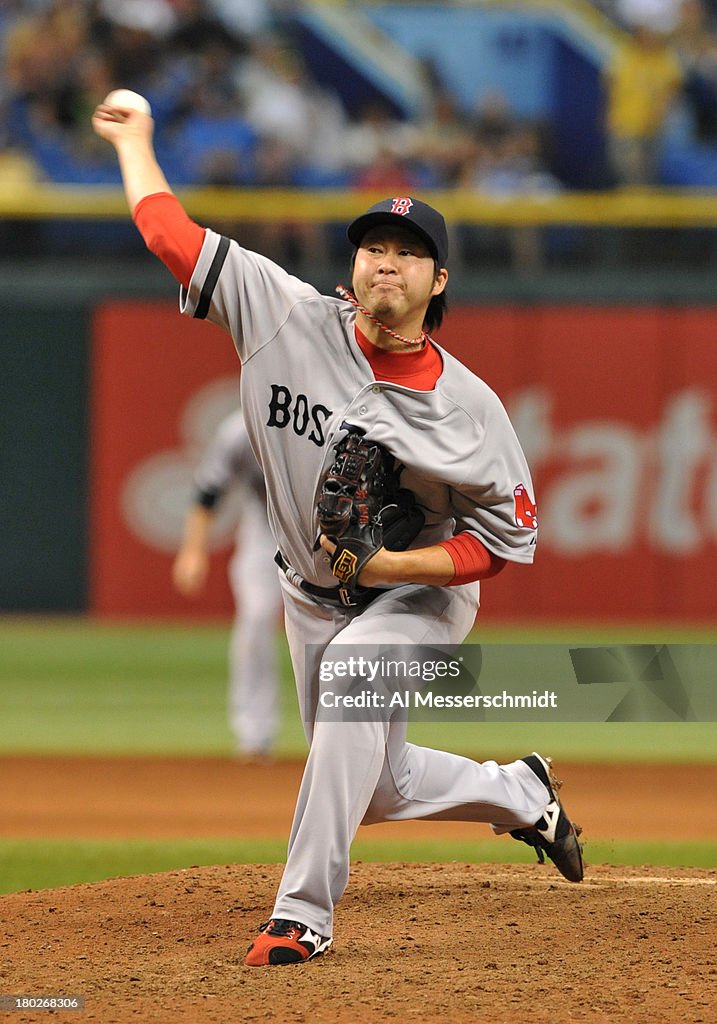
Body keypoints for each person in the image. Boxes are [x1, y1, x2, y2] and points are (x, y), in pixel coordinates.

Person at [92, 94, 584, 968]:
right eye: (374, 247)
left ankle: (300, 913)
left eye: (410, 253)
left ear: (439, 284)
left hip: (417, 595)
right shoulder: (280, 315)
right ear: (351, 264)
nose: (386, 262)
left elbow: (499, 545)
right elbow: (170, 233)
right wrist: (137, 142)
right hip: (305, 589)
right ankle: (519, 792)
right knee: (372, 785)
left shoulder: (470, 410)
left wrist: (396, 559)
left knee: (360, 677)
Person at [172, 407, 283, 760]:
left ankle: (349, 742)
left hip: (327, 538)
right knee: (253, 623)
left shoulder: (328, 416)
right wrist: (192, 551)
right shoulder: (240, 430)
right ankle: (254, 735)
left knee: (337, 638)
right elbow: (207, 493)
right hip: (264, 537)